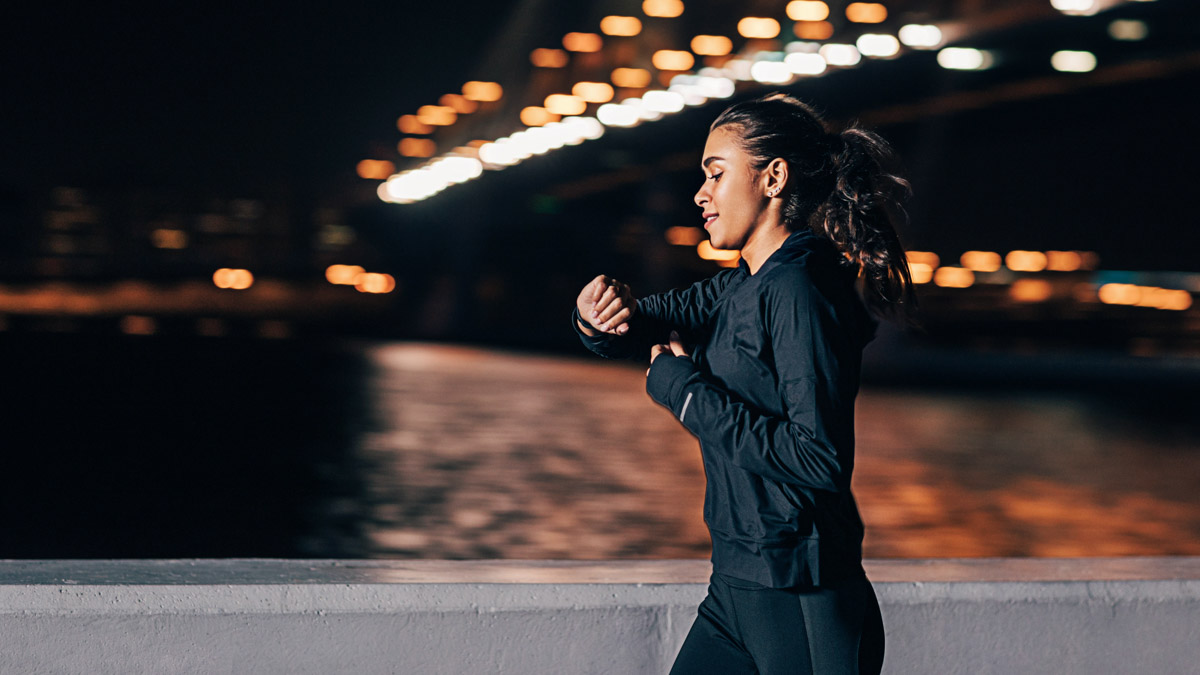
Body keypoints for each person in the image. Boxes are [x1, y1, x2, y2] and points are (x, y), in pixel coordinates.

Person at [571, 93, 914, 674]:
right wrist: (594, 317)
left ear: (773, 177)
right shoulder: (740, 286)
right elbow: (639, 322)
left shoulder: (801, 290)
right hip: (736, 586)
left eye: (716, 173)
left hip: (800, 592)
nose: (700, 194)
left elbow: (820, 458)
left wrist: (684, 392)